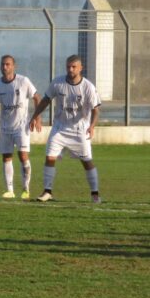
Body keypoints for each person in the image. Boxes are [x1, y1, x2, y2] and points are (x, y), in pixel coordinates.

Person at [29, 54, 102, 204]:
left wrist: (92, 126)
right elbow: (45, 100)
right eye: (68, 66)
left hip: (79, 129)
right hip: (60, 128)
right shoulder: (58, 83)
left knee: (87, 161)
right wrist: (35, 116)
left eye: (74, 67)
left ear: (81, 68)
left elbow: (95, 109)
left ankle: (95, 193)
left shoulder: (88, 87)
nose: (70, 69)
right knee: (50, 157)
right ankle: (47, 191)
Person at [0, 55, 42, 200]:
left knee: (23, 155)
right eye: (3, 64)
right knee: (6, 157)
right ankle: (10, 190)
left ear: (14, 66)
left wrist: (37, 117)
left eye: (8, 64)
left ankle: (26, 189)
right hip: (5, 126)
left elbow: (37, 98)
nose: (5, 67)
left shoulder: (23, 81)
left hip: (21, 126)